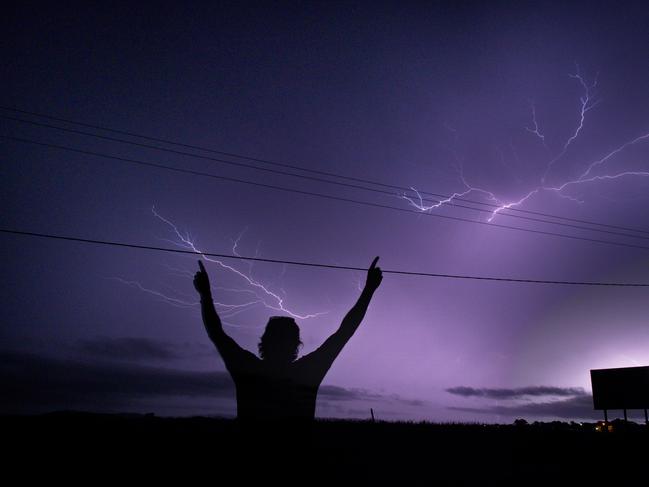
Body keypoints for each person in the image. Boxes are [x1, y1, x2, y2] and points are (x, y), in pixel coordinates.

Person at [193, 256, 383, 423]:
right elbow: (344, 332)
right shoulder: (308, 372)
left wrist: (205, 295)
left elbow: (216, 332)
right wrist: (368, 290)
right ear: (296, 344)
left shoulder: (247, 369)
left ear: (264, 341)